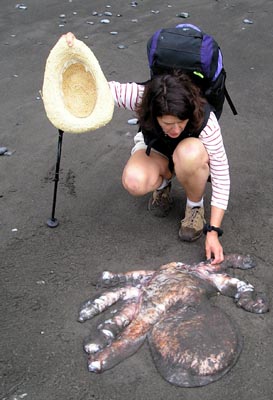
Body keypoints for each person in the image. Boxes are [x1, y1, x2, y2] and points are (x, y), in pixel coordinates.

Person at [63, 32, 230, 264]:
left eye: (180, 123)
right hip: (157, 150)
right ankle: (163, 185)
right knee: (133, 180)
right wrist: (72, 51)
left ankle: (194, 207)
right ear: (154, 112)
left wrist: (213, 231)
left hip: (190, 153)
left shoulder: (205, 118)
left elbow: (222, 175)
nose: (175, 129)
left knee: (189, 154)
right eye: (167, 124)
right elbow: (98, 89)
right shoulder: (141, 97)